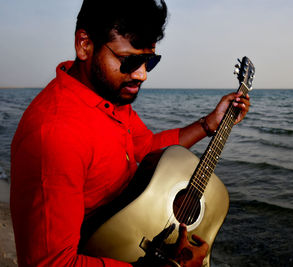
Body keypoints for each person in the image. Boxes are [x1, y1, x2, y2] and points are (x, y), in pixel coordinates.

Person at [10, 0, 250, 266]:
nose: (142, 74)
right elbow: (51, 263)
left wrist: (209, 124)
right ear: (84, 45)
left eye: (149, 60)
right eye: (129, 61)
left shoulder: (106, 95)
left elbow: (146, 148)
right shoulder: (56, 134)